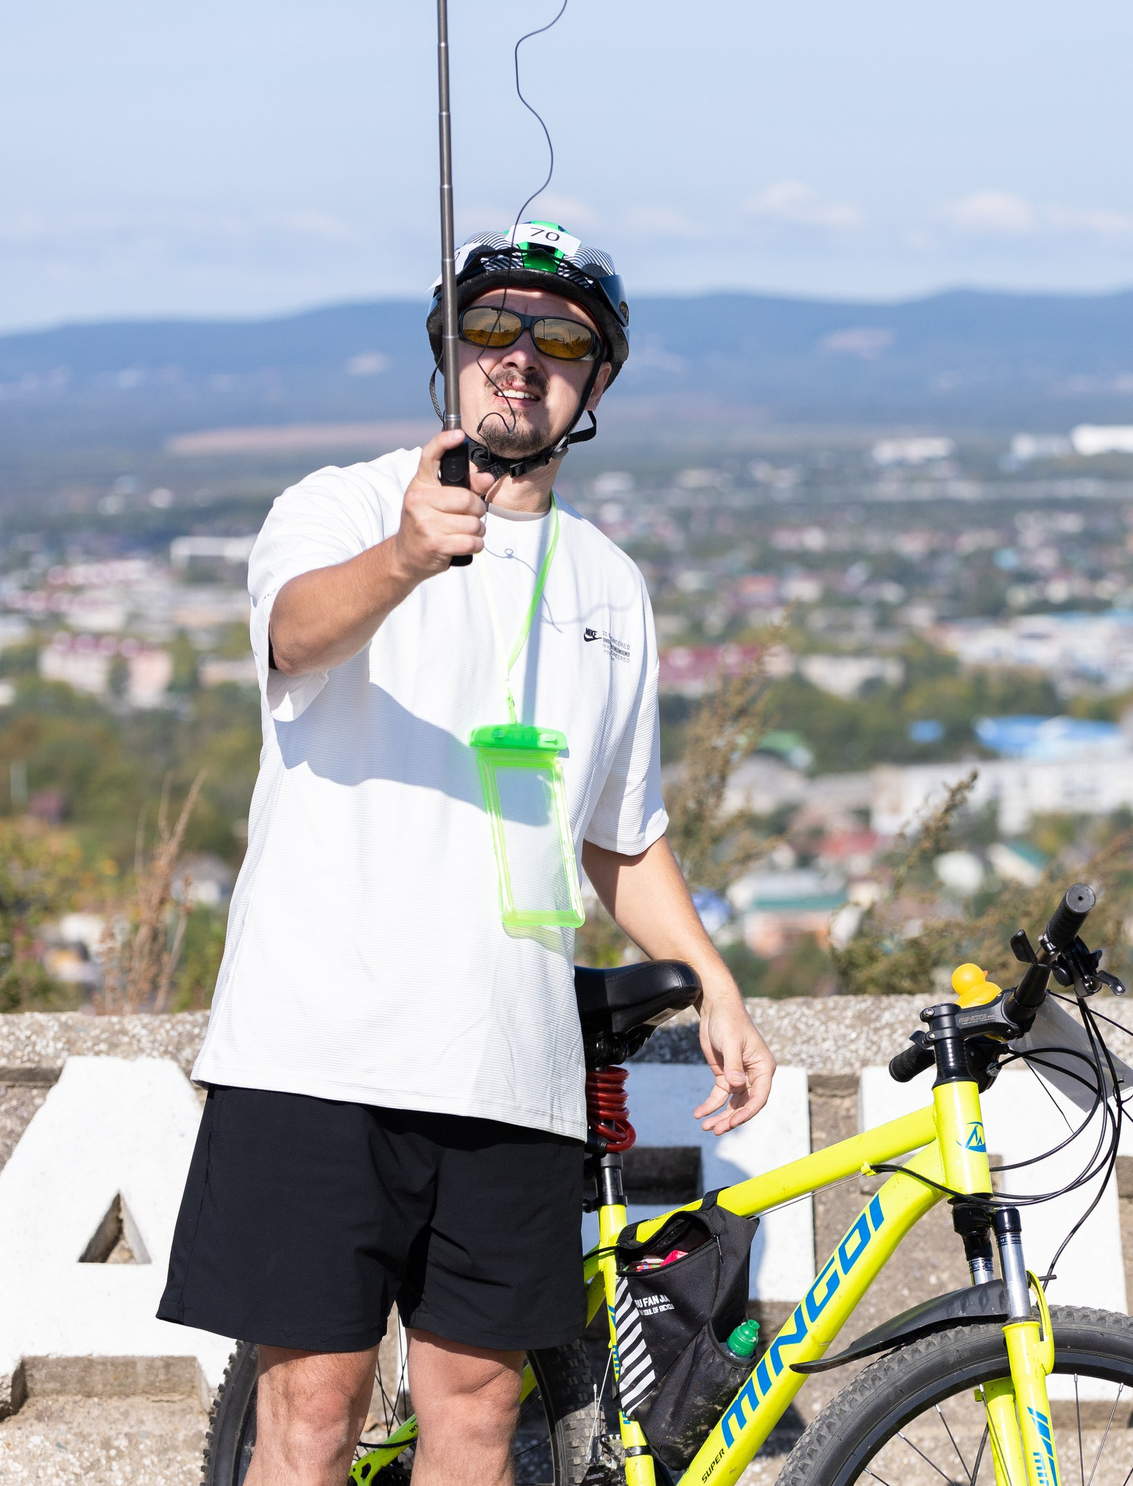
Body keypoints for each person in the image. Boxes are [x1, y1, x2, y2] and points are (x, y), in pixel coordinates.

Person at [160, 223, 775, 1486]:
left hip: (512, 1070)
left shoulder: (611, 585)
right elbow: (291, 636)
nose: (521, 361)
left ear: (596, 386)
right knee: (313, 1419)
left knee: (481, 1425)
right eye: (491, 329)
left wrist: (712, 979)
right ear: (447, 351)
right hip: (316, 1049)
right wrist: (402, 555)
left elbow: (623, 834)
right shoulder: (340, 505)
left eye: (560, 342)